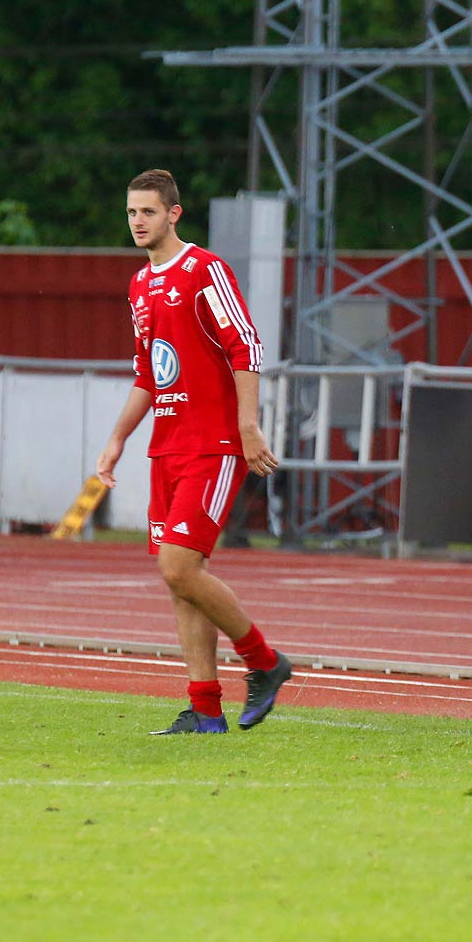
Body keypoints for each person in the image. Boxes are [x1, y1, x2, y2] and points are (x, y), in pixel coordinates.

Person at [97, 169, 292, 736]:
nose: (138, 222)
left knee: (178, 565)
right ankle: (205, 708)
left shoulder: (203, 271)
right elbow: (146, 373)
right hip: (168, 446)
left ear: (174, 214)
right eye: (132, 212)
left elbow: (246, 344)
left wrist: (248, 425)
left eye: (148, 212)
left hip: (213, 445)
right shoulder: (140, 286)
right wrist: (117, 439)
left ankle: (264, 662)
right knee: (182, 578)